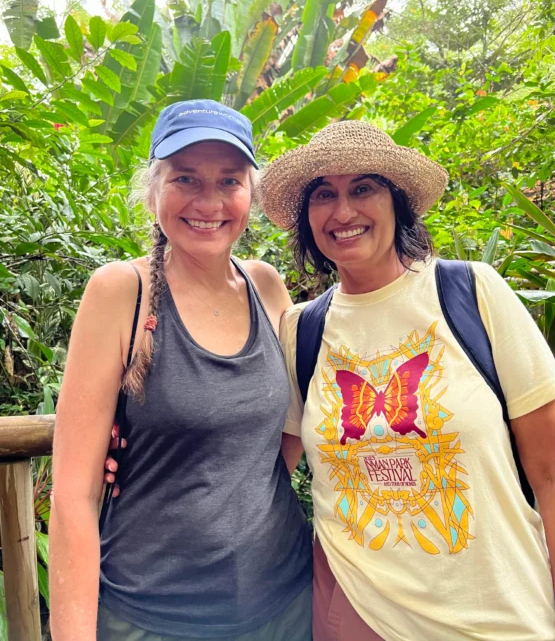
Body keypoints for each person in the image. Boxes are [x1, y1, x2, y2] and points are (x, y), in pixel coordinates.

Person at [258, 120, 555, 641]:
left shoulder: (472, 293)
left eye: (363, 188)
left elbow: (550, 471)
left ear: (397, 202)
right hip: (358, 614)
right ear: (307, 217)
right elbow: (263, 465)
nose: (343, 211)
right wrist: (137, 454)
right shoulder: (300, 330)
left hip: (499, 616)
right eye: (324, 193)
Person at [50, 100, 313, 641]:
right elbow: (73, 496)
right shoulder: (121, 292)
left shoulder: (267, 287)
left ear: (251, 195)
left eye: (229, 182)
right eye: (186, 178)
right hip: (153, 614)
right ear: (153, 190)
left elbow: (288, 429)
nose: (209, 202)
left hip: (284, 599)